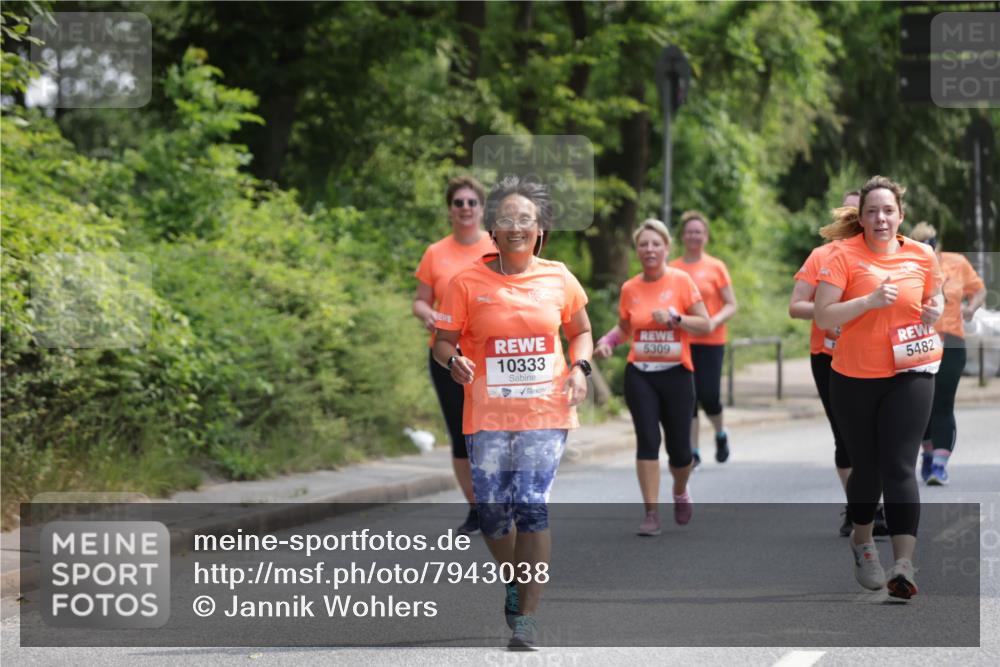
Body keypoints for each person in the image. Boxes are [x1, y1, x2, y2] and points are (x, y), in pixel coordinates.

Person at [433, 176, 592, 650]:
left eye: (526, 219)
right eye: (507, 219)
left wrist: (580, 367)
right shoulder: (466, 283)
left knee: (531, 503)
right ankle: (514, 578)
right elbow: (443, 341)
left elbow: (581, 330)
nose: (517, 227)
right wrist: (453, 359)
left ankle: (527, 617)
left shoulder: (559, 277)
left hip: (545, 412)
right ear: (493, 231)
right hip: (486, 415)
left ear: (539, 229)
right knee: (493, 516)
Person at [814, 175, 943, 601]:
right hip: (853, 377)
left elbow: (936, 301)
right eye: (872, 211)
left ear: (901, 215)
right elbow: (824, 317)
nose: (881, 218)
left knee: (900, 466)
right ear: (862, 218)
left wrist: (933, 311)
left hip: (911, 372)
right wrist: (868, 302)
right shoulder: (842, 256)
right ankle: (863, 542)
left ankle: (903, 564)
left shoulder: (922, 255)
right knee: (866, 468)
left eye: (888, 210)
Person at [595, 219, 711, 535]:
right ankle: (651, 514)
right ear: (637, 250)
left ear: (666, 248)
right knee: (647, 440)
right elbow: (624, 327)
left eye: (655, 244)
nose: (649, 249)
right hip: (641, 374)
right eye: (643, 244)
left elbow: (705, 324)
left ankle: (680, 490)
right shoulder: (630, 288)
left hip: (676, 374)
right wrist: (607, 342)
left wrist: (676, 319)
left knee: (680, 453)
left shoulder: (682, 281)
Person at [789, 191, 889, 538]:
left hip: (877, 357)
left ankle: (878, 506)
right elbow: (796, 305)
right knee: (846, 438)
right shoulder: (822, 256)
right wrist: (827, 314)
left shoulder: (890, 255)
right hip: (829, 357)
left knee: (883, 436)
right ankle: (860, 509)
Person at [413, 176, 496, 535]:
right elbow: (420, 299)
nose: (465, 208)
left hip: (491, 357)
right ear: (450, 209)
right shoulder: (436, 252)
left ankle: (499, 501)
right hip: (448, 354)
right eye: (458, 202)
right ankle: (476, 509)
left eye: (471, 202)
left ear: (481, 209)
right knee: (461, 434)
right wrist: (427, 314)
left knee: (493, 431)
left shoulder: (496, 246)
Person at [909, 221, 986, 486]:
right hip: (918, 342)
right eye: (921, 245)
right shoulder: (907, 266)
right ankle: (927, 454)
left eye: (930, 244)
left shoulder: (956, 262)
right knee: (921, 404)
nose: (927, 250)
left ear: (936, 244)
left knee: (943, 401)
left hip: (951, 340)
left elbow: (979, 290)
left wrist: (971, 308)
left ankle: (939, 465)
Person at [669, 211, 738, 466]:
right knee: (690, 398)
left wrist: (714, 321)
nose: (694, 236)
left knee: (709, 396)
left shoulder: (716, 267)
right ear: (683, 236)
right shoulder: (673, 268)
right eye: (689, 232)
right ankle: (693, 452)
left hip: (711, 341)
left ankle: (720, 433)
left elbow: (731, 304)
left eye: (698, 232)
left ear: (705, 236)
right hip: (683, 341)